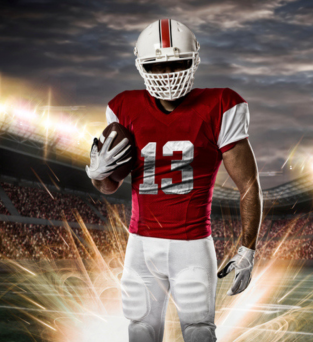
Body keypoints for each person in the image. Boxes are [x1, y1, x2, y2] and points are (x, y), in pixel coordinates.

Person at [85, 19, 262, 342]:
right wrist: (98, 175)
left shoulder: (219, 105)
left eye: (176, 63)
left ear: (193, 60)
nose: (167, 74)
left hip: (192, 244)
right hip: (140, 244)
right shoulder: (124, 107)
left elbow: (248, 183)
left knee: (198, 332)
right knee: (140, 330)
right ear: (141, 66)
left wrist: (248, 248)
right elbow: (109, 186)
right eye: (157, 66)